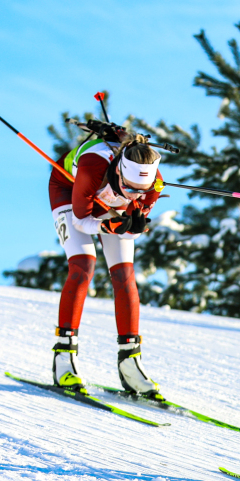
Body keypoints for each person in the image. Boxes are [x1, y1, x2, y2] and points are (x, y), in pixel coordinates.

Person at [47, 128, 165, 398]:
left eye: (141, 192)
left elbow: (131, 230)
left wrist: (133, 226)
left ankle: (130, 362)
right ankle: (64, 358)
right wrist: (112, 226)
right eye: (130, 188)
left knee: (125, 274)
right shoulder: (93, 165)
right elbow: (81, 220)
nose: (135, 196)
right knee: (83, 265)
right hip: (70, 191)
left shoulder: (153, 185)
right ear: (120, 171)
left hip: (109, 200)